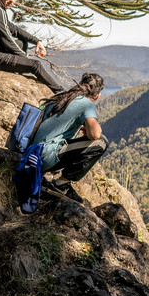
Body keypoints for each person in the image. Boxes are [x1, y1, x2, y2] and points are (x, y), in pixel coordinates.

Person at [31, 73, 109, 202]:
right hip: (44, 158)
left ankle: (49, 177)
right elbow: (95, 134)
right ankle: (62, 184)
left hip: (32, 152)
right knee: (101, 143)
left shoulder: (63, 95)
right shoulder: (86, 104)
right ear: (97, 94)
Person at [0, 0, 65, 92]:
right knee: (35, 65)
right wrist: (24, 58)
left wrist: (37, 41)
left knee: (22, 43)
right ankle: (60, 91)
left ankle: (18, 69)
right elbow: (6, 39)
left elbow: (15, 29)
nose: (12, 0)